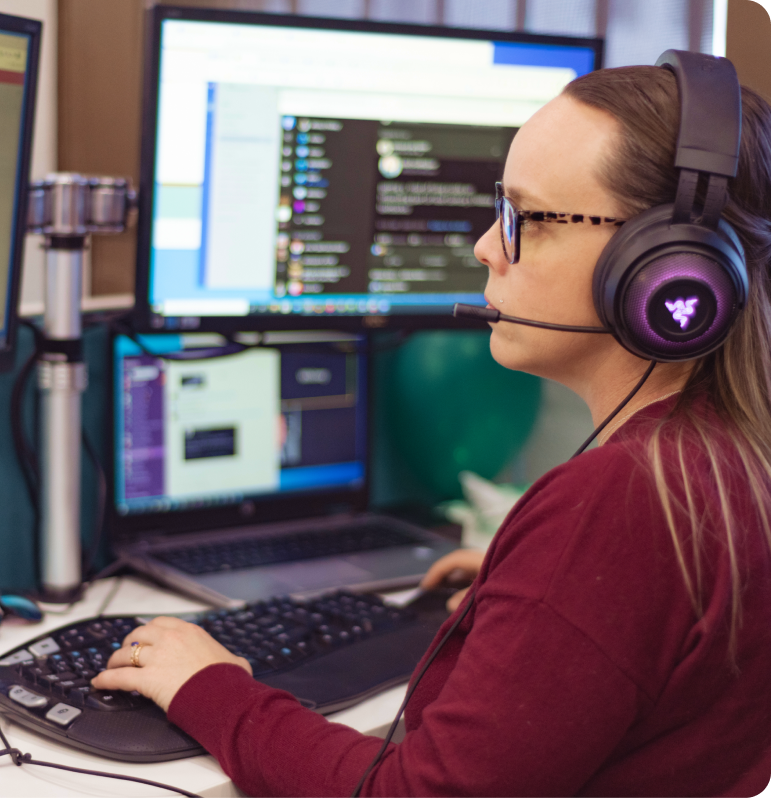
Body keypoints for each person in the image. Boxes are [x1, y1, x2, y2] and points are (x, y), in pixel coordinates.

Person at [91, 61, 771, 798]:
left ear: (669, 272)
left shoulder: (628, 498)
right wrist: (539, 596)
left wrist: (212, 687)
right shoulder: (726, 458)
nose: (485, 246)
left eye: (525, 216)